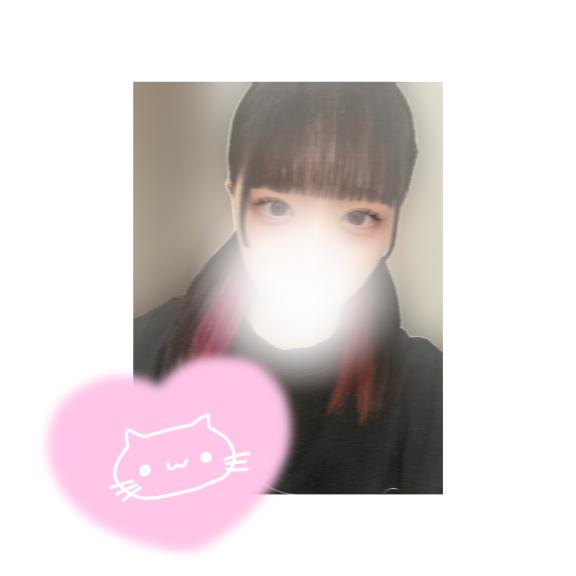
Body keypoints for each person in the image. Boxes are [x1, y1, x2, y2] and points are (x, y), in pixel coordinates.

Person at [134, 82, 442, 494]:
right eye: (277, 208)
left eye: (357, 217)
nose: (312, 256)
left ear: (393, 222)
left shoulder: (430, 393)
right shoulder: (137, 354)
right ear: (234, 199)